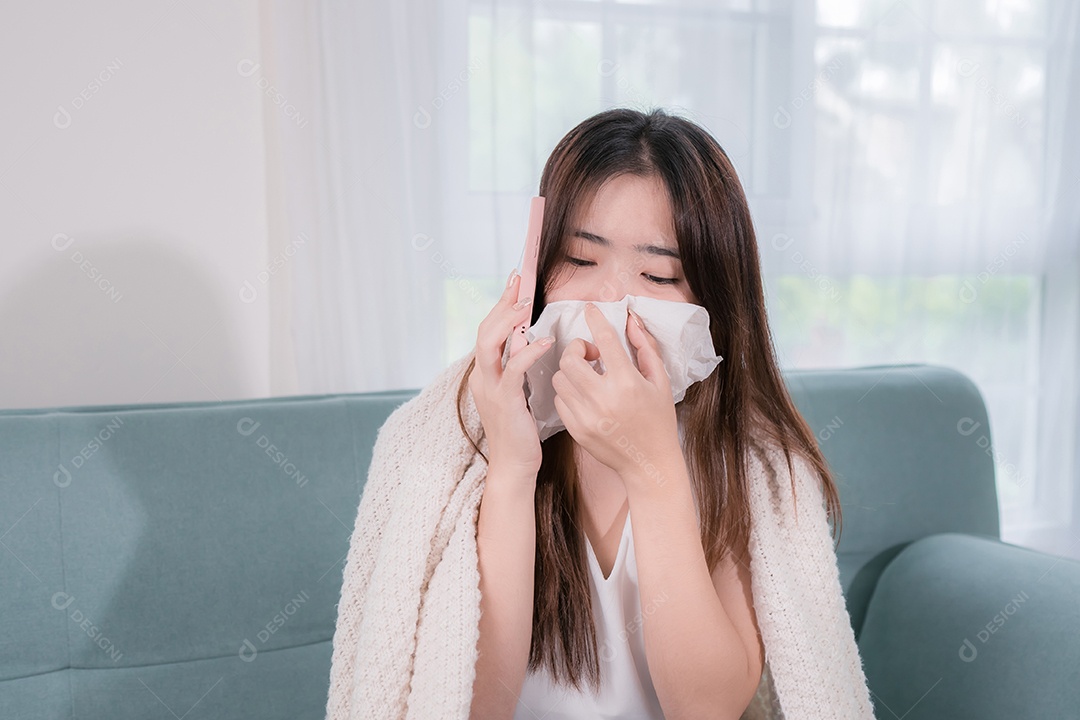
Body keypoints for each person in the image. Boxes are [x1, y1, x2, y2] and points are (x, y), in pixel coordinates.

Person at [460, 107, 848, 719]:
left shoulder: (746, 463)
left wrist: (653, 468)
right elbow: (470, 704)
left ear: (714, 299)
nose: (611, 299)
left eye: (659, 273)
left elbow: (709, 708)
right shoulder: (464, 437)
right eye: (581, 261)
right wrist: (511, 466)